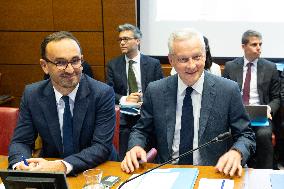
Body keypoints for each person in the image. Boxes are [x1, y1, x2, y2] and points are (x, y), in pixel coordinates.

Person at [121, 28, 256, 177]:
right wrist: (136, 146)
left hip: (213, 172)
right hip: (166, 173)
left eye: (197, 57)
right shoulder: (156, 90)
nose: (192, 66)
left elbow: (246, 135)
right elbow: (141, 130)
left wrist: (237, 153)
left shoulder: (228, 90)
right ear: (171, 60)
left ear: (205, 56)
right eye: (183, 59)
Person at [8, 31, 117, 175]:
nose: (70, 69)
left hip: (97, 170)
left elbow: (101, 147)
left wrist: (62, 166)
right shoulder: (32, 94)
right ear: (44, 65)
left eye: (75, 61)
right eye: (61, 63)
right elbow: (21, 141)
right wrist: (20, 164)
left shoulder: (102, 93)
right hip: (50, 170)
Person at [223, 30, 280, 169]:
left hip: (261, 115)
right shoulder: (230, 66)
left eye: (260, 44)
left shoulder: (270, 67)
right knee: (228, 135)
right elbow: (223, 94)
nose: (259, 47)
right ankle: (233, 169)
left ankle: (265, 172)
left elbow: (276, 97)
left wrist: (269, 108)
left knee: (264, 134)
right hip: (237, 114)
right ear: (243, 46)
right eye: (254, 44)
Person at [106, 23, 164, 160]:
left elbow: (161, 90)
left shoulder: (153, 64)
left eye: (126, 39)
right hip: (125, 117)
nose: (122, 43)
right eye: (120, 40)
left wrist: (147, 97)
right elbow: (108, 92)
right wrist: (125, 99)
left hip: (147, 114)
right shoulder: (113, 64)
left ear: (137, 41)